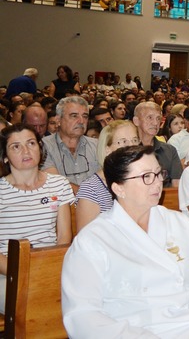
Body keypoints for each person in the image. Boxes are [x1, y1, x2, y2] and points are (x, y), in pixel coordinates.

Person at [61, 145, 189, 338]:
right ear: (118, 188)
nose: (157, 183)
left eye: (159, 174)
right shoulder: (93, 240)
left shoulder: (178, 223)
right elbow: (82, 316)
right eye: (146, 176)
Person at [1, 124, 73, 309]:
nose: (26, 150)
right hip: (8, 271)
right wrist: (23, 272)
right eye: (16, 146)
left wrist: (49, 270)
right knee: (34, 303)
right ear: (5, 157)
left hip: (51, 266)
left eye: (31, 143)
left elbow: (64, 238)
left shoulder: (59, 184)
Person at [75, 120, 140, 232]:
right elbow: (86, 240)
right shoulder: (91, 189)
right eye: (123, 141)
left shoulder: (141, 180)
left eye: (135, 140)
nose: (131, 146)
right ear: (107, 149)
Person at [42, 96, 98, 189]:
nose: (81, 121)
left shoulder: (97, 145)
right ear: (58, 120)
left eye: (85, 116)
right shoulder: (44, 146)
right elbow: (55, 183)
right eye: (74, 116)